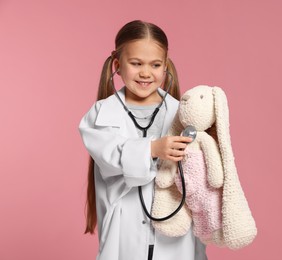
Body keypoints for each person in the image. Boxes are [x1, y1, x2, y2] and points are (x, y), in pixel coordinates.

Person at [79, 20, 208, 260]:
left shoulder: (181, 113)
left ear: (165, 66)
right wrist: (153, 149)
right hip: (124, 235)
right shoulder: (99, 115)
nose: (146, 72)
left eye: (155, 64)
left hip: (175, 236)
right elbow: (111, 158)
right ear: (118, 65)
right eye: (136, 63)